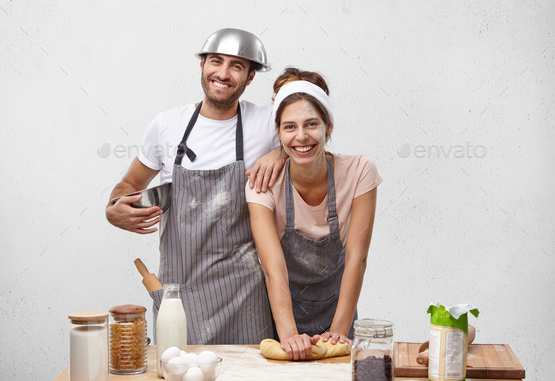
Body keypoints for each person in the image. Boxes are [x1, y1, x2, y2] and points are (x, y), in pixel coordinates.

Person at [105, 28, 286, 345]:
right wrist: (112, 210)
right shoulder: (166, 125)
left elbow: (312, 140)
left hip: (245, 294)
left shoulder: (266, 122)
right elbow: (130, 184)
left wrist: (280, 151)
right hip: (180, 293)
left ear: (251, 76)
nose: (223, 73)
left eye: (237, 66)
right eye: (216, 61)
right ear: (202, 64)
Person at [246, 68, 383, 359]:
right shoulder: (262, 185)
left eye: (311, 124)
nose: (301, 136)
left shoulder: (359, 172)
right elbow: (274, 267)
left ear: (328, 126)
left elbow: (356, 257)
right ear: (278, 132)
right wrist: (288, 334)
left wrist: (339, 331)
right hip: (280, 321)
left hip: (340, 318)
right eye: (289, 127)